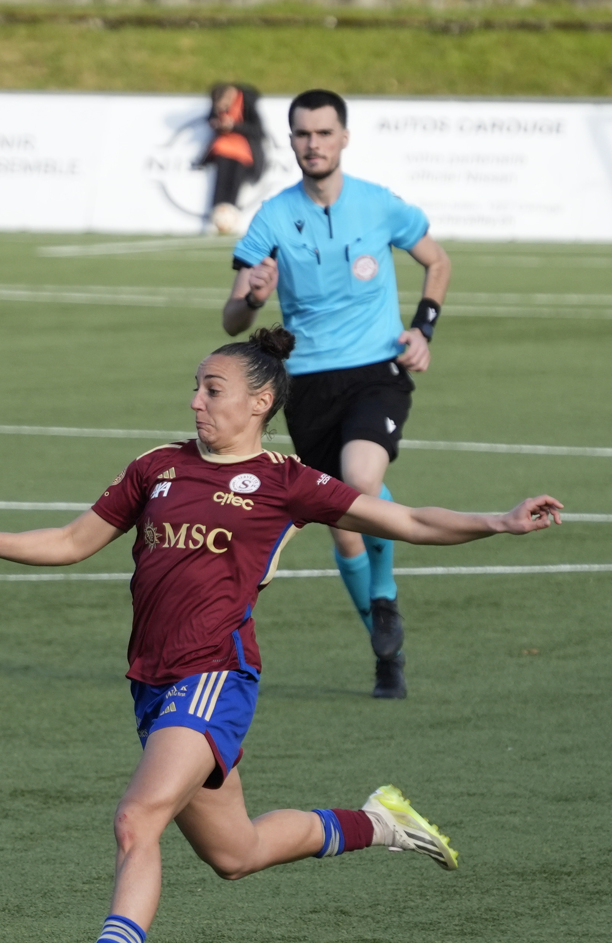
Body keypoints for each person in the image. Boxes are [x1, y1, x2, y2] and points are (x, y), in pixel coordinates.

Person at [0, 327, 561, 943]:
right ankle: (380, 822)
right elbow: (75, 541)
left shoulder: (283, 480)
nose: (195, 401)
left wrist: (499, 521)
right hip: (152, 682)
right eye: (196, 388)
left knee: (136, 819)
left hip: (214, 674)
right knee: (234, 853)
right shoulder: (156, 467)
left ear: (260, 401)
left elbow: (407, 518)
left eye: (212, 390)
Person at [223, 89, 452, 700]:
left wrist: (422, 329)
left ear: (344, 137)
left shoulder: (379, 205)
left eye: (324, 133)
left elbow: (438, 261)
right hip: (308, 385)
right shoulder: (272, 216)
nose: (313, 144)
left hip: (377, 370)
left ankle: (383, 596)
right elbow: (231, 323)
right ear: (291, 140)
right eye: (302, 134)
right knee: (345, 524)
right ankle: (387, 648)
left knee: (358, 478)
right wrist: (251, 297)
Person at [196, 83, 265, 235]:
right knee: (219, 189)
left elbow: (258, 131)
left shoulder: (247, 102)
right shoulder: (218, 100)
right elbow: (211, 117)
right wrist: (216, 123)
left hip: (243, 152)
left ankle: (231, 223)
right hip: (222, 149)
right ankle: (215, 222)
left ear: (230, 96)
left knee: (234, 189)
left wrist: (234, 126)